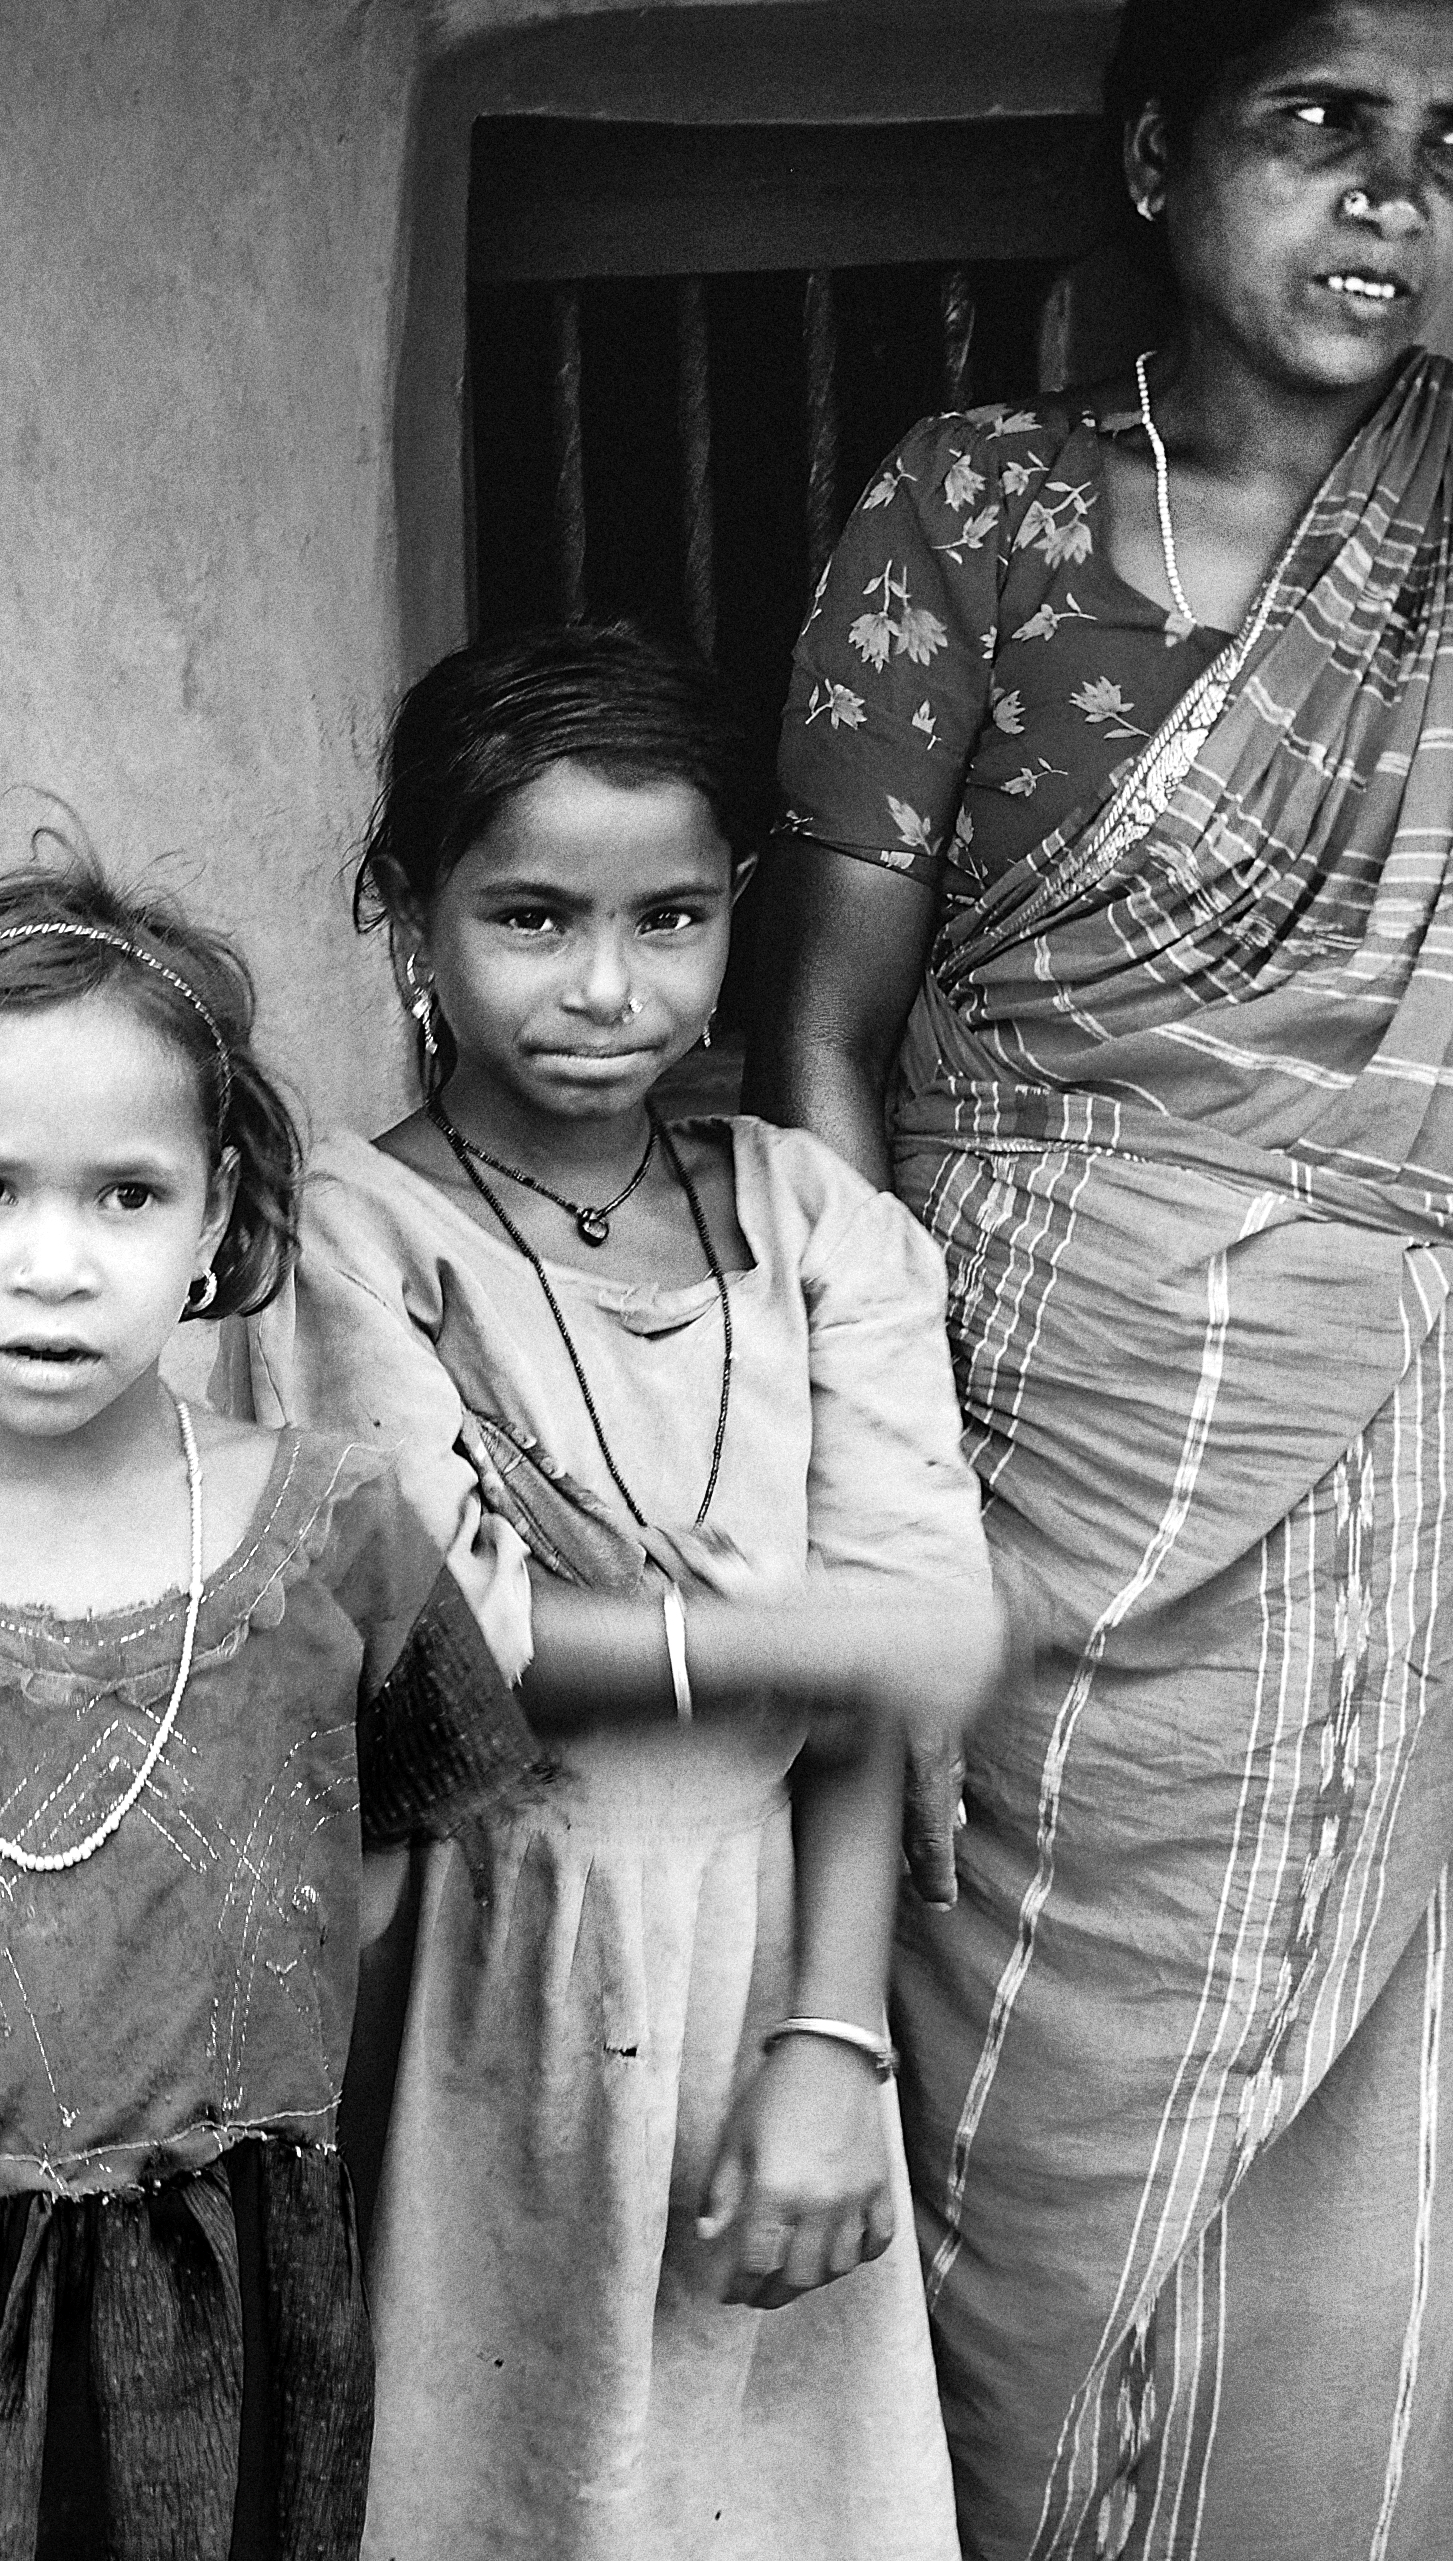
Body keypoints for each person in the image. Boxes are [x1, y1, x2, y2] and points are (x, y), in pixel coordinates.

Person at [747, 0, 1453, 2550]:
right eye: (1324, 122)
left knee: (1363, 2148)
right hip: (1022, 1462)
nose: (1396, 194)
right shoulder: (973, 513)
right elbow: (824, 1033)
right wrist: (889, 1483)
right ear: (1162, 151)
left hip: (1432, 1478)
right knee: (1004, 2141)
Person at [226, 624, 1002, 2559]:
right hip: (484, 1972)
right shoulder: (350, 1230)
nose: (605, 986)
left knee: (772, 2498)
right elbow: (456, 1645)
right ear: (404, 920)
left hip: (770, 1970)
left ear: (739, 907)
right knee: (504, 2484)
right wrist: (822, 1637)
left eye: (669, 919)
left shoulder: (824, 1226)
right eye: (529, 916)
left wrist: (837, 2043)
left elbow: (896, 1669)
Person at [0, 858, 538, 2558]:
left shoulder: (341, 1530)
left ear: (217, 1217)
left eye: (128, 1198)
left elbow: (377, 1864)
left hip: (215, 2282)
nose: (57, 1265)